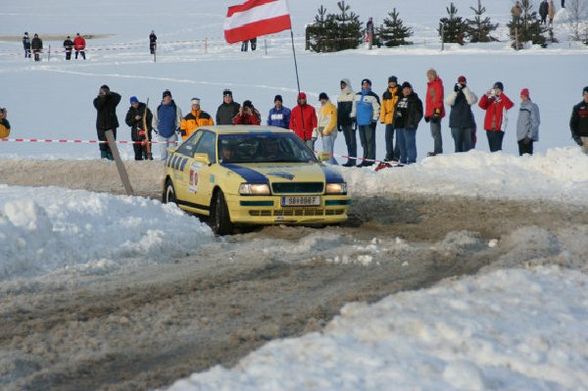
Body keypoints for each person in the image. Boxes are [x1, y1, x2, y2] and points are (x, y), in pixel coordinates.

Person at [351, 78, 380, 167]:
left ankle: (370, 160)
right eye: (364, 84)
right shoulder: (357, 95)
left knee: (370, 141)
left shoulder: (373, 96)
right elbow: (354, 107)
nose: (366, 86)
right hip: (360, 122)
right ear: (362, 85)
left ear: (370, 86)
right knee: (363, 142)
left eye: (367, 84)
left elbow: (377, 109)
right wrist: (353, 117)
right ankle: (365, 159)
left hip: (369, 123)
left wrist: (374, 120)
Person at [445, 75, 478, 153]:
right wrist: (455, 92)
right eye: (460, 82)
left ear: (466, 83)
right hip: (455, 123)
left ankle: (468, 163)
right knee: (458, 146)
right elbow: (448, 102)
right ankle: (458, 164)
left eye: (463, 82)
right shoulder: (453, 93)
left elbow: (471, 101)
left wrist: (465, 89)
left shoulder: (470, 93)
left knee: (468, 147)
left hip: (467, 123)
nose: (462, 84)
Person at [478, 81, 514, 152]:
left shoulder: (503, 99)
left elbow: (510, 105)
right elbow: (481, 105)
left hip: (499, 129)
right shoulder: (490, 99)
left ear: (501, 90)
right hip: (489, 128)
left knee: (497, 149)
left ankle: (499, 161)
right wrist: (486, 95)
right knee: (492, 149)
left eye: (498, 89)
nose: (496, 91)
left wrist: (501, 94)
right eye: (495, 89)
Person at [394, 82, 423, 165]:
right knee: (401, 145)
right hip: (399, 125)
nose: (406, 90)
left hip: (409, 126)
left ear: (411, 89)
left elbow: (419, 113)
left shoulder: (415, 100)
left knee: (410, 144)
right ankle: (403, 160)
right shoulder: (400, 99)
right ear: (402, 90)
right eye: (404, 89)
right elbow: (395, 111)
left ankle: (411, 161)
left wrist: (413, 123)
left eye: (407, 89)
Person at [93, 85, 121, 160]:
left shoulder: (112, 100)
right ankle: (104, 158)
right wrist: (103, 97)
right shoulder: (96, 100)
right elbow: (99, 106)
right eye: (101, 91)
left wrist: (109, 93)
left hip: (111, 125)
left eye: (104, 91)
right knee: (102, 143)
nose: (102, 92)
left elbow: (118, 96)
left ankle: (112, 159)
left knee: (111, 144)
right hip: (101, 126)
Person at [153, 90, 182, 161]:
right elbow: (154, 120)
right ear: (163, 98)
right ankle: (163, 170)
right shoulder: (158, 108)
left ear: (171, 98)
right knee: (163, 155)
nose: (167, 98)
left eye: (169, 97)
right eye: (166, 97)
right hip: (161, 135)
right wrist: (156, 129)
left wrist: (178, 128)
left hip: (172, 135)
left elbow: (180, 120)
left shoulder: (176, 108)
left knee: (172, 155)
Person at [380, 76, 402, 162]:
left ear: (396, 82)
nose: (392, 83)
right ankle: (389, 154)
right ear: (388, 83)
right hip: (388, 118)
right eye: (390, 82)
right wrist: (382, 119)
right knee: (388, 137)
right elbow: (383, 107)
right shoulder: (386, 94)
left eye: (393, 82)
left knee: (398, 138)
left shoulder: (400, 92)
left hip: (398, 118)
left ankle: (396, 156)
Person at [425, 68, 445, 156]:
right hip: (431, 113)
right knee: (433, 132)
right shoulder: (430, 85)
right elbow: (428, 101)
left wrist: (437, 112)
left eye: (431, 75)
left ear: (435, 75)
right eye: (428, 76)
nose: (429, 77)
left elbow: (439, 99)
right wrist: (427, 114)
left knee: (436, 132)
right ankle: (437, 149)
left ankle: (438, 151)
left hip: (436, 112)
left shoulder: (437, 84)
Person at [337, 79, 357, 167]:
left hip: (350, 121)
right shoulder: (340, 96)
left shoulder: (353, 95)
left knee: (352, 141)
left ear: (347, 85)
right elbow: (339, 110)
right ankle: (349, 159)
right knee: (348, 141)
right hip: (343, 122)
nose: (342, 86)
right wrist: (338, 122)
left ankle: (353, 160)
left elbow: (355, 108)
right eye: (341, 85)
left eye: (344, 84)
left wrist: (353, 117)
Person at [516, 88, 541, 156]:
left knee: (527, 159)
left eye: (524, 95)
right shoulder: (521, 107)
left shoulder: (532, 106)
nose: (522, 97)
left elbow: (536, 122)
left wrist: (529, 136)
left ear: (527, 96)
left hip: (527, 138)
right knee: (521, 160)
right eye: (521, 96)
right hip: (520, 137)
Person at [317, 92, 338, 164]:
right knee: (326, 151)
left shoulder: (330, 107)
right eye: (320, 100)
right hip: (323, 132)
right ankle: (336, 166)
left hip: (329, 132)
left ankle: (330, 166)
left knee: (328, 151)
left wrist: (327, 130)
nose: (322, 101)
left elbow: (333, 120)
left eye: (323, 99)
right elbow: (321, 120)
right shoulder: (322, 108)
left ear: (326, 99)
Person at [569, 86, 588, 154]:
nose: (587, 96)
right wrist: (576, 137)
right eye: (585, 94)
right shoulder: (577, 107)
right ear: (583, 95)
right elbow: (572, 123)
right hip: (583, 139)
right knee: (584, 161)